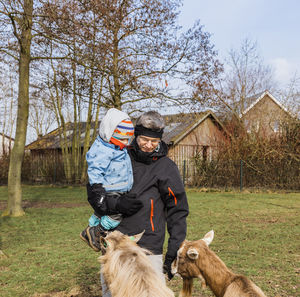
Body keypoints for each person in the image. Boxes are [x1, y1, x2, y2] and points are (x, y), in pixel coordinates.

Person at [99, 111, 189, 296]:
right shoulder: (118, 158)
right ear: (135, 136)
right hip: (116, 243)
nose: (149, 145)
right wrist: (117, 205)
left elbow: (177, 209)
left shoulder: (166, 168)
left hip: (149, 246)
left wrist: (175, 246)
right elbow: (96, 191)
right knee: (112, 293)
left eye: (154, 141)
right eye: (144, 139)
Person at [80, 108, 143, 251]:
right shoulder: (103, 150)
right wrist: (97, 188)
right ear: (109, 134)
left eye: (128, 139)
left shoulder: (117, 148)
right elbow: (95, 169)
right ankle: (97, 231)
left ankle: (89, 230)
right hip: (110, 189)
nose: (126, 143)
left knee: (102, 212)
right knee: (116, 215)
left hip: (118, 188)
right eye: (122, 139)